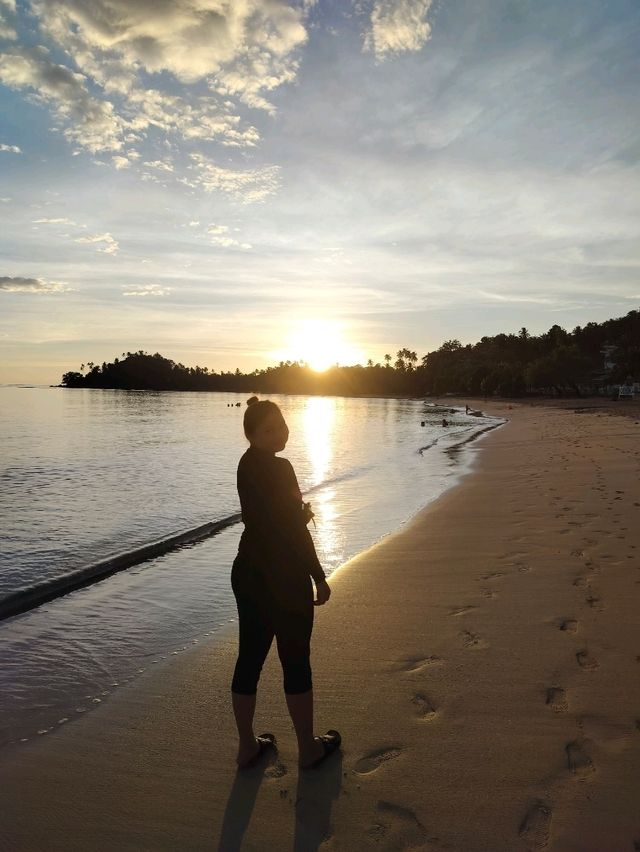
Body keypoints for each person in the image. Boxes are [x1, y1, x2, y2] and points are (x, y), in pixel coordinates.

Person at [230, 396, 341, 771]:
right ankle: (308, 748)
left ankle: (247, 746)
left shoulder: (246, 465)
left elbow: (265, 519)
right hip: (284, 577)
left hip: (248, 573)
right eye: (269, 429)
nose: (280, 433)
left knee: (250, 659)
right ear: (251, 435)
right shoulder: (282, 467)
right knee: (295, 662)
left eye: (282, 425)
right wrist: (319, 575)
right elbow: (294, 532)